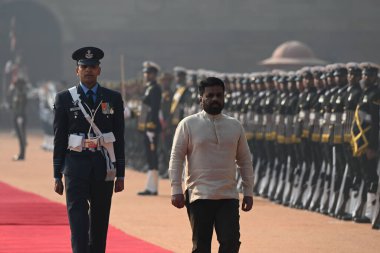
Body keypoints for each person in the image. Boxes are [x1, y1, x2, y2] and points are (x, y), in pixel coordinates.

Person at [169, 77, 254, 253]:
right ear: (201, 98)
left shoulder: (235, 125)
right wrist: (176, 189)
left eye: (219, 95)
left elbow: (244, 160)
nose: (215, 99)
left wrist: (248, 191)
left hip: (228, 195)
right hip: (199, 195)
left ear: (224, 97)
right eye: (210, 95)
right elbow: (176, 158)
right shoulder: (188, 124)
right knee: (201, 247)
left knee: (231, 243)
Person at [53, 46, 125, 253]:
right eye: (84, 66)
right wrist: (56, 174)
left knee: (101, 220)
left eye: (92, 66)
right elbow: (59, 138)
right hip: (75, 165)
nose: (88, 70)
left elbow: (119, 138)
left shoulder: (112, 98)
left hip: (104, 165)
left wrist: (121, 173)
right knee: (78, 220)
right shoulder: (65, 99)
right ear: (77, 70)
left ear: (99, 70)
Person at [137, 61, 162, 196]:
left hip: (151, 127)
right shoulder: (148, 88)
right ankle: (150, 186)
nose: (146, 75)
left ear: (154, 75)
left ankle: (153, 188)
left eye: (149, 73)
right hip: (147, 127)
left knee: (152, 156)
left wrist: (151, 127)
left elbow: (154, 109)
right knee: (149, 156)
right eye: (145, 73)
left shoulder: (155, 89)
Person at [8, 77, 28, 161]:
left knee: (21, 137)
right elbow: (13, 103)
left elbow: (22, 107)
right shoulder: (17, 92)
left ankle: (22, 155)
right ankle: (21, 154)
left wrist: (20, 116)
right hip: (17, 115)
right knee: (20, 137)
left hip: (20, 116)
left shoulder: (21, 93)